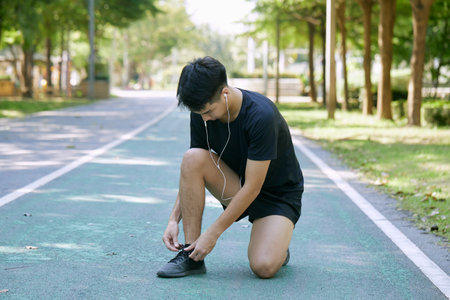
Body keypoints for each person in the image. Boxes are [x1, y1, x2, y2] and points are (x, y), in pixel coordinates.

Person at [156, 56, 303, 279]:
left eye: (208, 111)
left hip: (275, 196)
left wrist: (212, 234)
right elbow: (192, 169)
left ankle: (277, 243)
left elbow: (253, 188)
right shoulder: (201, 112)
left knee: (264, 267)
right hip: (236, 185)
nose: (204, 118)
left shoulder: (261, 115)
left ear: (224, 93)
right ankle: (192, 256)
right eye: (199, 113)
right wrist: (173, 220)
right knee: (192, 157)